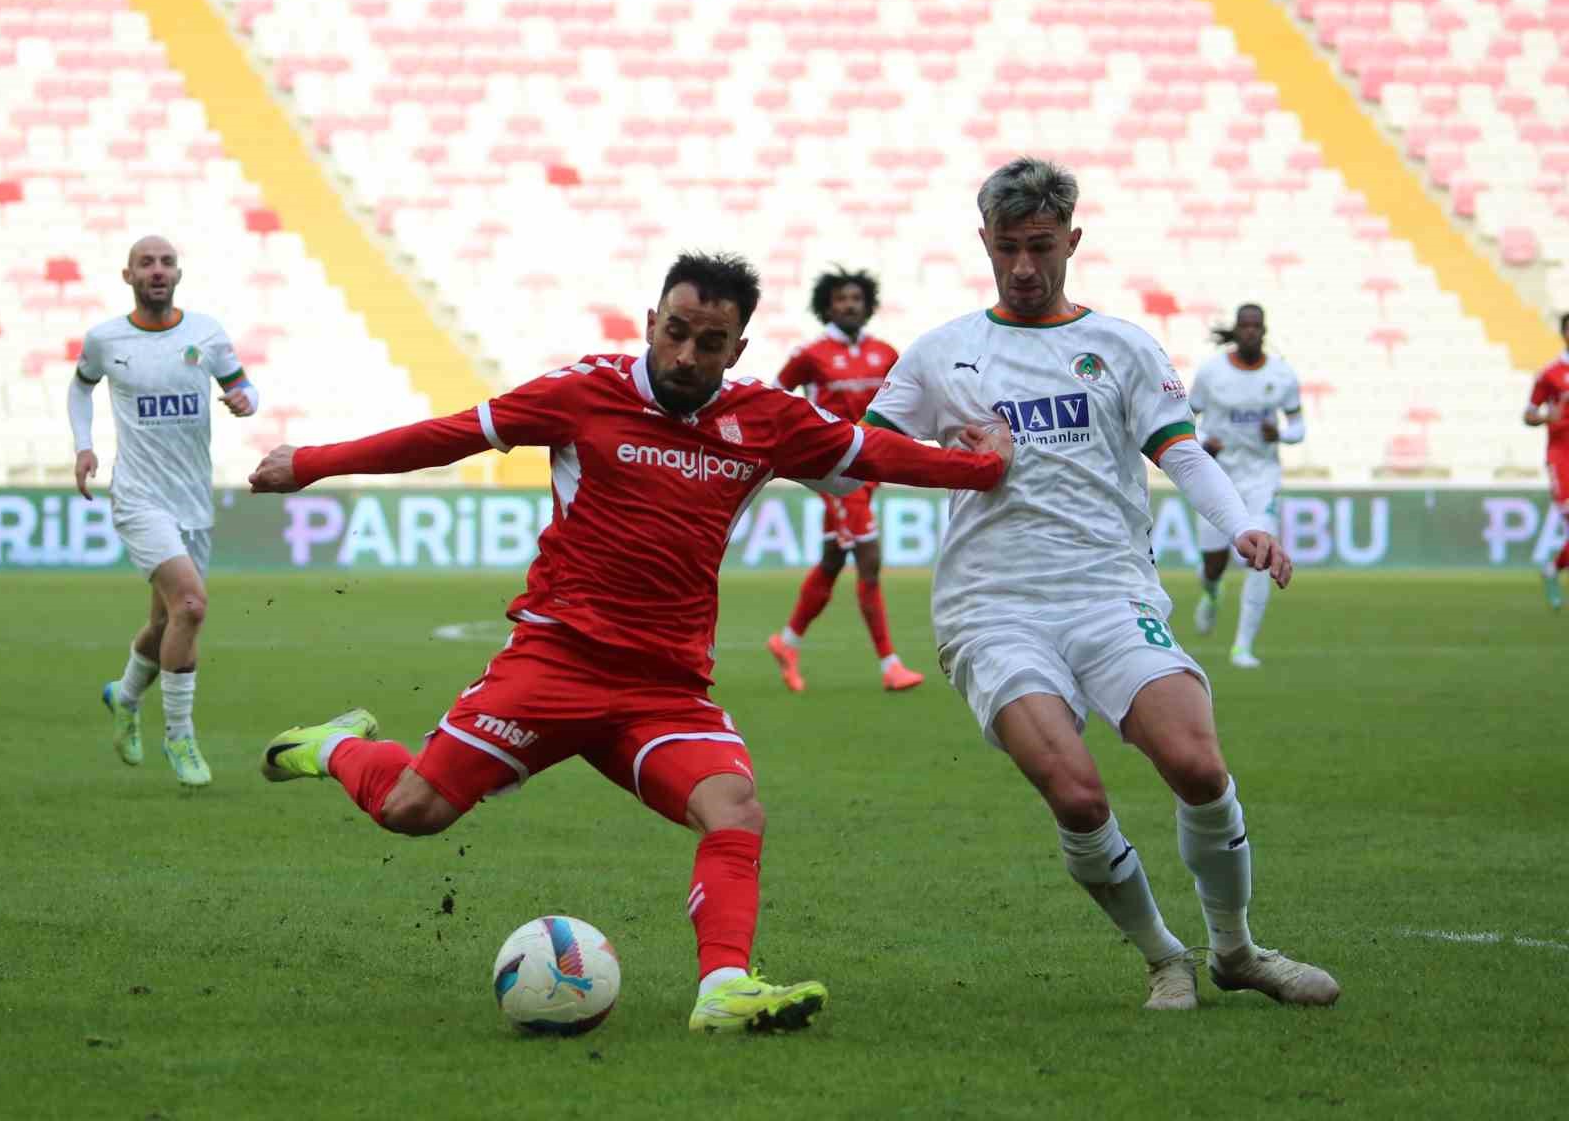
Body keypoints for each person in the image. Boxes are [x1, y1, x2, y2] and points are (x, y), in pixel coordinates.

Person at [248, 253, 1012, 1034]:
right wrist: (311, 463)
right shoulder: (585, 391)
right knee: (413, 809)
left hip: (665, 686)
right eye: (675, 332)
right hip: (556, 662)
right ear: (650, 322)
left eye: (709, 343)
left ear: (737, 349)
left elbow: (872, 452)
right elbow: (450, 435)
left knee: (735, 808)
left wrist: (980, 470)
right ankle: (336, 746)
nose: (686, 355)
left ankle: (723, 987)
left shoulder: (768, 417)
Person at [863, 159, 1339, 1011]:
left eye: (1040, 246)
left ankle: (1235, 948)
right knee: (1078, 793)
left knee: (1197, 765)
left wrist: (1243, 528)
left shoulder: (1121, 346)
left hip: (1110, 595)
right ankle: (1164, 956)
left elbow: (1180, 451)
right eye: (1006, 247)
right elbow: (858, 458)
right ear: (984, 242)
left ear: (1072, 240)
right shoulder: (941, 354)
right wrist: (952, 463)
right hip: (992, 609)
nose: (1022, 266)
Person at [69, 235, 258, 789]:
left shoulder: (206, 333)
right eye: (146, 263)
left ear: (179, 273)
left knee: (165, 621)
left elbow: (241, 385)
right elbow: (80, 389)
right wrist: (83, 445)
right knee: (192, 606)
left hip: (192, 500)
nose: (157, 270)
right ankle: (179, 735)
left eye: (167, 262)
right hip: (138, 497)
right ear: (128, 275)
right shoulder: (106, 339)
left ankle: (124, 697)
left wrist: (246, 400)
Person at [766, 266, 924, 694]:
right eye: (840, 299)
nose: (849, 305)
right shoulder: (810, 355)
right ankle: (890, 664)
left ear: (866, 303)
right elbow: (773, 399)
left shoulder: (886, 352)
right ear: (826, 306)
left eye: (856, 298)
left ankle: (788, 640)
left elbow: (904, 405)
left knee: (835, 557)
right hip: (836, 469)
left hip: (871, 469)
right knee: (869, 559)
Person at [1187, 304, 1304, 667]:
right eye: (1245, 326)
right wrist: (1206, 440)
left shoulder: (1282, 375)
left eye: (1257, 326)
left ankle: (1242, 646)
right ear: (1236, 330)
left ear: (1264, 331)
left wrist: (1281, 435)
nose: (1251, 331)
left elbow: (1300, 429)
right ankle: (1211, 592)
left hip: (1261, 479)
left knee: (1259, 554)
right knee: (1213, 564)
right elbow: (1187, 421)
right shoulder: (1210, 372)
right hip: (1219, 476)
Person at [1524, 311, 1569, 610]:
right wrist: (1544, 416)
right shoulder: (1550, 373)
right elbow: (1528, 414)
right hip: (1561, 454)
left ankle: (1552, 568)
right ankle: (1552, 569)